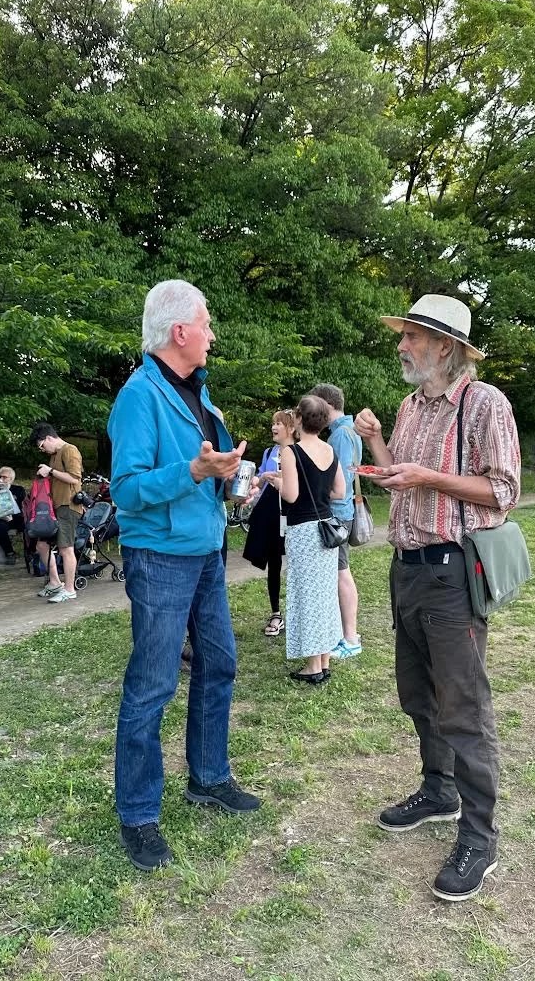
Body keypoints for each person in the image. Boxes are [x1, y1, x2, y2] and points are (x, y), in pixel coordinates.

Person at [354, 294, 521, 902]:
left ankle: (480, 837)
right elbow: (403, 474)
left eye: (412, 338)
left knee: (465, 709)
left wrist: (427, 476)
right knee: (418, 695)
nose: (401, 345)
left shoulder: (485, 404)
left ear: (444, 347)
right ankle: (438, 791)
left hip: (454, 575)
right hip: (407, 569)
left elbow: (501, 491)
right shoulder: (410, 404)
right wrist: (378, 447)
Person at [108, 278, 261, 873]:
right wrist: (192, 471)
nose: (212, 334)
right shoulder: (138, 397)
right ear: (180, 332)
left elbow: (210, 473)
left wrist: (228, 476)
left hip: (205, 551)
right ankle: (139, 813)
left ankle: (209, 778)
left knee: (219, 662)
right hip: (161, 557)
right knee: (153, 683)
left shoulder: (204, 396)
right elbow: (126, 491)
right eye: (206, 323)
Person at [276, 394, 345, 683]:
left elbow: (290, 495)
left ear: (299, 420)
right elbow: (339, 491)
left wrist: (277, 481)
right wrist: (317, 491)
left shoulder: (291, 452)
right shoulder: (329, 450)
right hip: (326, 528)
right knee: (325, 595)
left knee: (306, 595)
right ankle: (324, 660)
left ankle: (313, 667)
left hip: (303, 530)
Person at [310, 383, 363, 658]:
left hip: (337, 513)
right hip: (344, 511)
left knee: (341, 573)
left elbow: (337, 480)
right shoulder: (349, 430)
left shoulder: (340, 435)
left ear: (326, 405)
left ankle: (350, 638)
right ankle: (346, 634)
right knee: (340, 572)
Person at [242, 409, 296, 636]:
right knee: (273, 563)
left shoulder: (299, 452)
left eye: (279, 423)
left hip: (293, 514)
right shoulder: (269, 452)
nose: (274, 427)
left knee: (296, 564)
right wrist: (257, 481)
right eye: (273, 423)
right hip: (270, 515)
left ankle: (299, 614)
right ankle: (276, 614)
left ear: (291, 428)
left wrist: (280, 480)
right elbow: (260, 480)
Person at [28, 423, 83, 603]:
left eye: (42, 445)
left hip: (68, 506)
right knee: (41, 546)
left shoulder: (70, 450)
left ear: (49, 438)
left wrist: (50, 471)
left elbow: (74, 478)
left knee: (66, 548)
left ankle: (69, 589)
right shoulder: (54, 455)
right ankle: (54, 582)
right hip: (53, 508)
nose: (42, 449)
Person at [0, 467, 26, 565]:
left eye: (4, 477)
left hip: (17, 517)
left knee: (28, 526)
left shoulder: (18, 490)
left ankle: (31, 552)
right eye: (0, 477)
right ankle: (10, 553)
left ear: (11, 479)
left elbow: (24, 506)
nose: (1, 479)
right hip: (2, 518)